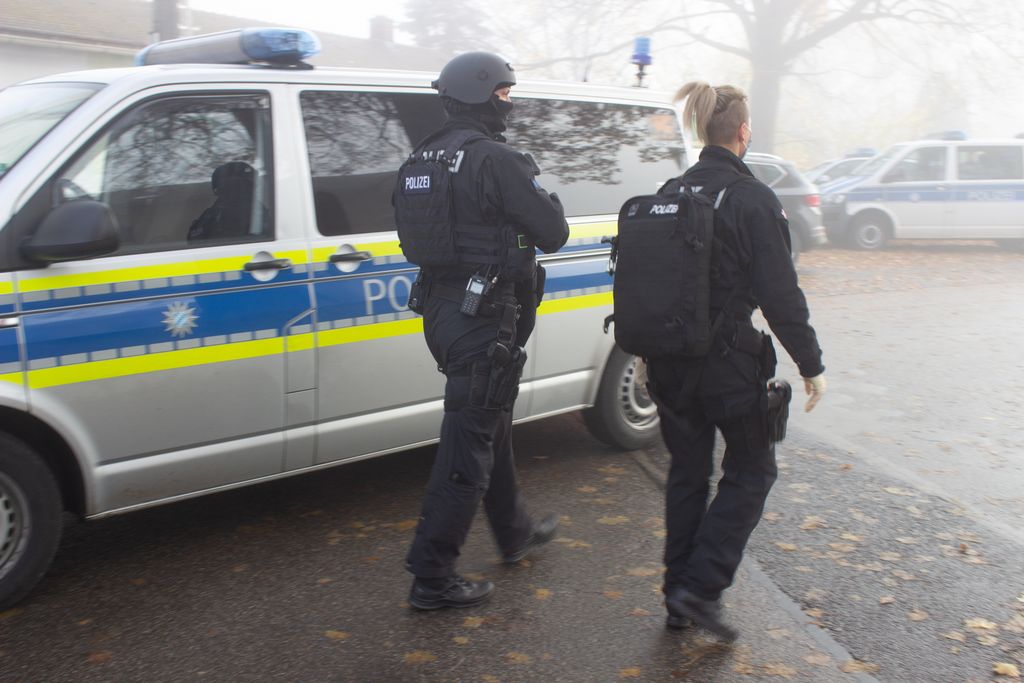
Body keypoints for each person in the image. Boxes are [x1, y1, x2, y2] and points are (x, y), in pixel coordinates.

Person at [648, 82, 827, 639]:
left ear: (705, 131)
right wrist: (810, 363)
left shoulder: (671, 190)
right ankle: (701, 589)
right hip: (726, 364)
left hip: (668, 362)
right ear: (744, 134)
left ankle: (678, 595)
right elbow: (780, 294)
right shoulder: (752, 198)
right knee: (752, 469)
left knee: (687, 472)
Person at [396, 52, 570, 610]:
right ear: (484, 96)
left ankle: (513, 532)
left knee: (489, 423)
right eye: (505, 93)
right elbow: (554, 233)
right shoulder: (494, 159)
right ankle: (432, 574)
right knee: (466, 447)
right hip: (485, 320)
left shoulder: (422, 160)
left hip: (443, 314)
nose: (509, 102)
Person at [187, 161, 262, 242]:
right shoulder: (211, 214)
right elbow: (193, 239)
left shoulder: (257, 215)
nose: (233, 191)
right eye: (226, 187)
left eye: (238, 185)